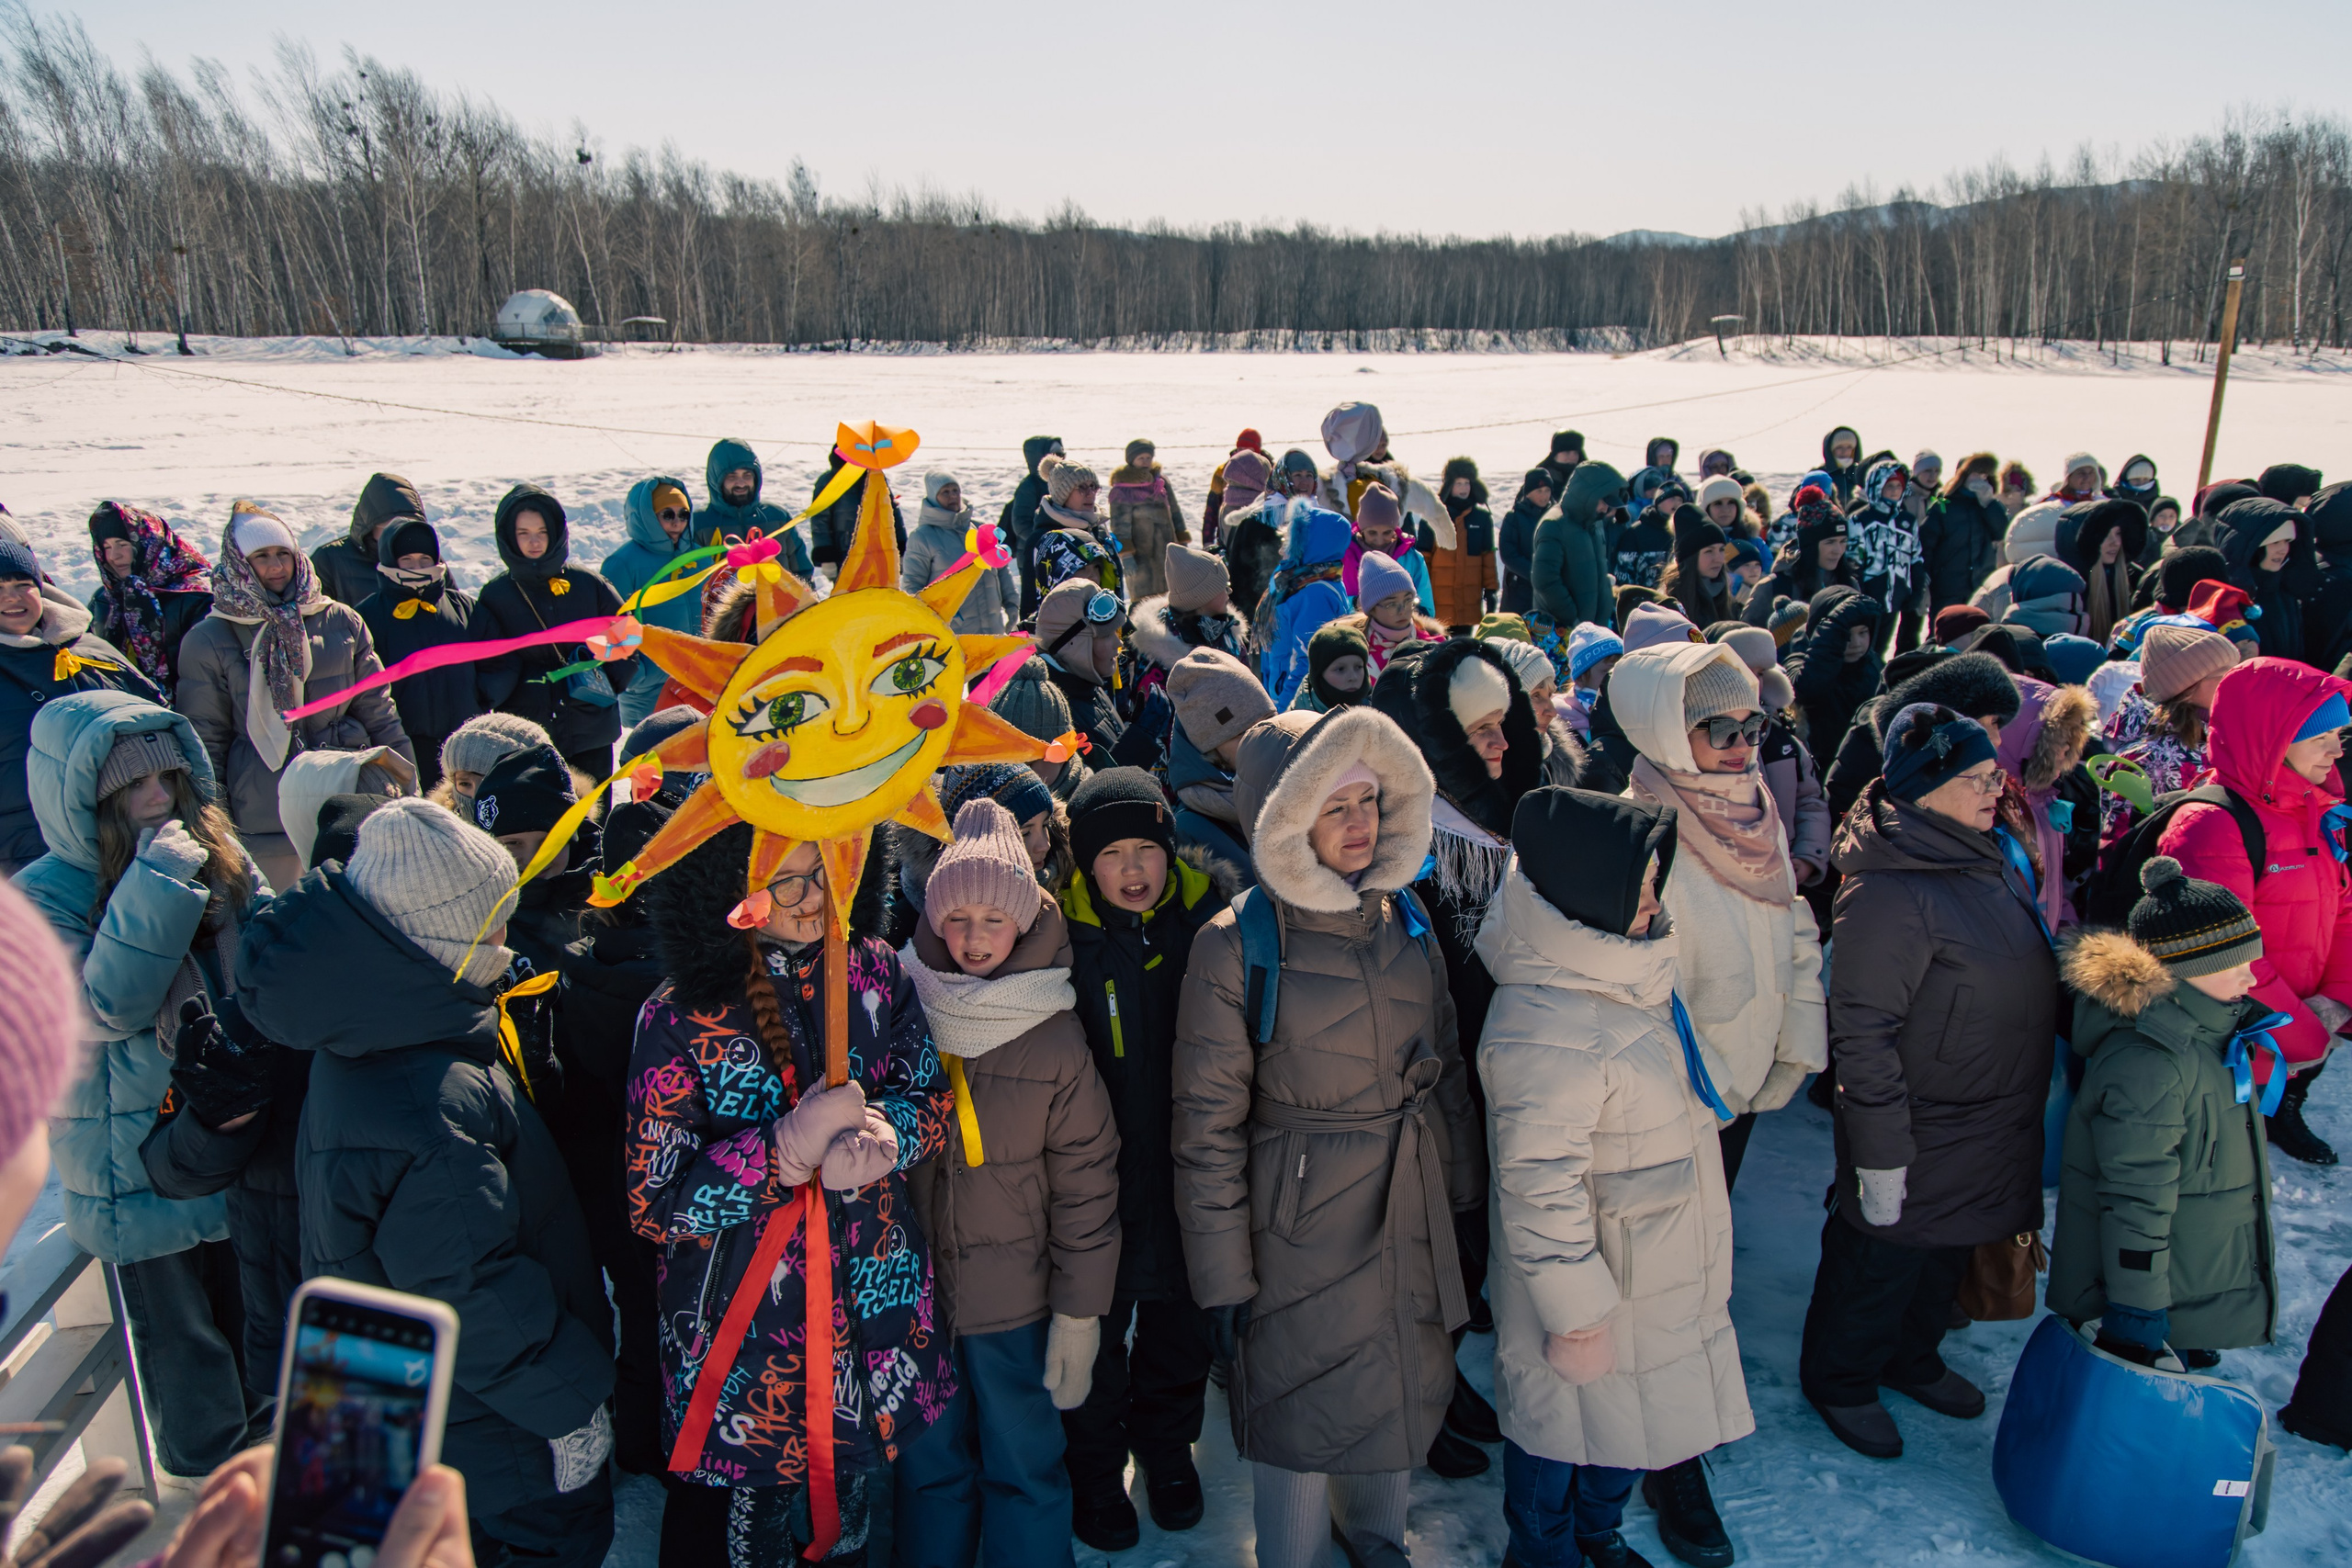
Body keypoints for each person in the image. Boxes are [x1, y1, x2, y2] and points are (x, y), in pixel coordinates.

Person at [239, 797, 616, 1566]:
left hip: (425, 1417)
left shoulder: (373, 1032)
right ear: (448, 937)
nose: (510, 942)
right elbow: (468, 1284)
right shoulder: (427, 1099)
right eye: (499, 922)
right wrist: (570, 1402)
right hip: (495, 1440)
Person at [1172, 705, 1480, 1568]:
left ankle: (1378, 1543)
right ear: (1285, 815)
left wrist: (1461, 1198)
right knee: (1299, 1420)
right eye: (1332, 805)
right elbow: (1205, 1127)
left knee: (1395, 1390)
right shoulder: (1238, 946)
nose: (1358, 825)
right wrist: (1222, 1275)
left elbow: (1446, 1062)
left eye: (1368, 800)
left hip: (1406, 1202)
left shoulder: (1405, 917)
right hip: (1295, 1227)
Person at [1479, 786, 1755, 1568]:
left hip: (1655, 1265)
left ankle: (1598, 1532)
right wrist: (1576, 1314)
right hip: (1595, 1288)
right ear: (1583, 890)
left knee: (1634, 1426)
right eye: (1635, 884)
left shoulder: (1627, 969)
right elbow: (1538, 1187)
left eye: (1654, 880)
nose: (1651, 899)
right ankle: (1542, 1550)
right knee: (1561, 1430)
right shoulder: (1548, 1020)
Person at [1800, 704, 2058, 1461]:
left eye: (1994, 774)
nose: (1993, 789)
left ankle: (1910, 1359)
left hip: (1986, 1112)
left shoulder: (1978, 851)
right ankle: (1842, 1378)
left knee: (1945, 1249)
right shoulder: (1889, 888)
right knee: (1879, 1257)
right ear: (1927, 785)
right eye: (1975, 777)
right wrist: (1878, 1152)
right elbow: (1864, 1032)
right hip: (1918, 1121)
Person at [17, 692, 264, 1480]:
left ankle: (260, 1473)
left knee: (257, 1323)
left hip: (229, 1128)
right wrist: (157, 887)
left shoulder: (217, 852)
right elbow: (101, 1006)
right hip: (129, 1156)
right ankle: (207, 1492)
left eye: (169, 777)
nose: (159, 799)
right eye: (133, 787)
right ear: (83, 800)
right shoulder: (41, 896)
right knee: (186, 1346)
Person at [893, 800, 1123, 1568]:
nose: (974, 937)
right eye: (958, 920)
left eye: (994, 919)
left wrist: (1080, 1311)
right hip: (917, 1295)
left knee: (1024, 1466)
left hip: (1015, 1304)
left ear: (1023, 922)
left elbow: (1088, 1181)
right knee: (930, 1468)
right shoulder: (903, 1007)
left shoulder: (1053, 1032)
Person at [1056, 767, 1234, 1550]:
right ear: (1086, 865)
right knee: (1092, 1340)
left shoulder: (1210, 924)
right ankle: (1096, 1471)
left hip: (1189, 1171)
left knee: (1181, 1328)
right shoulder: (1062, 938)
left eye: (1146, 849)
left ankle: (1167, 1451)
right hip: (1095, 1182)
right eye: (1113, 854)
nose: (1133, 869)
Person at [1614, 641, 1827, 1187]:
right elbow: (1633, 987)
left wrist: (1796, 1042)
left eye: (1752, 725)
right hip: (1682, 1092)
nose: (1742, 744)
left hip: (1752, 1068)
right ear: (1666, 730)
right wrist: (1710, 1083)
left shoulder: (1756, 806)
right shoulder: (1639, 830)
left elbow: (1792, 921)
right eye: (1717, 728)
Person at [2050, 859, 2277, 1371]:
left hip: (2191, 1277)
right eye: (2234, 963)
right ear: (2185, 973)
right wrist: (2137, 1310)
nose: (2252, 974)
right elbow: (2135, 1196)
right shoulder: (2151, 1062)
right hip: (2157, 1290)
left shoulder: (2210, 1032)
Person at [2159, 657, 2352, 1166]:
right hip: (2232, 1037)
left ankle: (2286, 1108)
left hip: (2299, 1023)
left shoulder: (2316, 807)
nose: (2338, 750)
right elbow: (2219, 950)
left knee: (2280, 1099)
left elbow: (2346, 908)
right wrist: (2303, 1030)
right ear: (2274, 740)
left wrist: (2336, 1001)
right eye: (2320, 737)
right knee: (2220, 1163)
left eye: (2339, 734)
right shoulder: (2211, 825)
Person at [176, 500, 411, 892]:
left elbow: (379, 711)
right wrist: (213, 823)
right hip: (265, 815)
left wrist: (409, 783)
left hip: (348, 794)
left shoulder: (340, 620)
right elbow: (205, 741)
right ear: (238, 563)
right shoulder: (210, 638)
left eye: (283, 554)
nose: (275, 567)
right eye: (261, 557)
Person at [1, 533, 159, 874]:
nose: (11, 598)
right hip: (22, 856)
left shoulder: (89, 650)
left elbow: (158, 727)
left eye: (22, 584)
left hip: (123, 841)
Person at [471, 484, 629, 780]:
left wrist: (606, 681)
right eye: (524, 533)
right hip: (528, 734)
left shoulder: (588, 583)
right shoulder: (496, 595)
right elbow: (490, 661)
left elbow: (628, 635)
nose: (535, 542)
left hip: (591, 728)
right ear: (508, 536)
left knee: (593, 818)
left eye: (542, 531)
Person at [356, 515, 483, 790]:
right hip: (406, 741)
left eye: (424, 559)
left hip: (464, 739)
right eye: (407, 561)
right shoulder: (368, 615)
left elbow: (496, 662)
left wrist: (479, 698)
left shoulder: (462, 607)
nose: (417, 567)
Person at [2097, 625, 2237, 840]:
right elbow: (2121, 846)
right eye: (2223, 674)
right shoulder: (2144, 760)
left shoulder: (2227, 733)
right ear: (2186, 687)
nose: (2235, 680)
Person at [599, 475, 707, 726]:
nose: (677, 521)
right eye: (667, 514)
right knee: (650, 761)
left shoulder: (699, 557)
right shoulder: (622, 564)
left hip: (698, 684)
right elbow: (611, 629)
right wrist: (639, 676)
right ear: (646, 515)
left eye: (684, 514)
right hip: (649, 693)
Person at [85, 501, 212, 698]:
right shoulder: (105, 599)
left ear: (149, 543)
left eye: (123, 544)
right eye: (106, 547)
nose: (114, 556)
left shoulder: (196, 597)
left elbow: (209, 676)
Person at [1164, 647, 1274, 874]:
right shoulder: (1189, 830)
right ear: (1209, 748)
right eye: (1242, 734)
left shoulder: (1294, 784)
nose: (1262, 739)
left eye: (1268, 723)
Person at [902, 470, 1019, 636]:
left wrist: (1012, 603)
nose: (953, 496)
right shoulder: (923, 537)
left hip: (994, 629)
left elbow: (1000, 569)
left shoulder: (979, 529)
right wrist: (926, 623)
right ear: (933, 497)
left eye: (955, 490)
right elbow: (912, 586)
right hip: (953, 633)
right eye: (946, 492)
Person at [1130, 543, 1246, 701]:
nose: (1229, 593)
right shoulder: (1162, 659)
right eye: (1224, 587)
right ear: (1203, 596)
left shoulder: (1228, 630)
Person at [1264, 506, 1354, 707]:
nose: (1280, 550)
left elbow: (1309, 661)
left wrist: (1284, 708)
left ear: (1310, 546)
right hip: (1285, 690)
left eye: (1287, 543)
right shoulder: (1305, 580)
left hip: (1296, 701)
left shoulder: (1313, 594)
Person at [1028, 578, 1127, 761]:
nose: (1118, 643)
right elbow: (1099, 786)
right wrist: (1143, 738)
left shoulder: (1085, 681)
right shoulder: (1050, 715)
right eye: (1106, 635)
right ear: (1074, 645)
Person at [1784, 586, 1883, 766]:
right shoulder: (1797, 662)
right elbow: (1809, 688)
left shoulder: (1873, 664)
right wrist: (1837, 624)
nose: (1856, 643)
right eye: (1845, 634)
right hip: (1820, 770)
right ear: (1823, 633)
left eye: (1863, 632)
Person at [695, 436, 813, 575]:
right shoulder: (699, 525)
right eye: (732, 477)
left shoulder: (778, 517)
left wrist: (805, 596)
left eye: (747, 475)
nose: (741, 483)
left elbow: (802, 572)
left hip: (778, 597)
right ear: (716, 480)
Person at [1532, 460, 1626, 631]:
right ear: (1587, 494)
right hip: (1565, 633)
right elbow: (1544, 580)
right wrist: (1572, 617)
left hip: (1593, 630)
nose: (1606, 508)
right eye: (1603, 501)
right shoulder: (1554, 525)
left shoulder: (1593, 522)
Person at [1742, 491, 1857, 630]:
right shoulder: (1772, 587)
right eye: (1830, 542)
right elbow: (1750, 641)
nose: (1838, 550)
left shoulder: (1849, 584)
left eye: (1843, 541)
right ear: (1810, 544)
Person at [312, 472, 425, 607]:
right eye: (389, 527)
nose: (400, 535)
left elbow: (451, 612)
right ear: (370, 526)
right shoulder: (329, 560)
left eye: (408, 527)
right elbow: (312, 618)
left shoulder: (426, 558)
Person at [2216, 496, 2307, 662]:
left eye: (2287, 541)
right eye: (2274, 542)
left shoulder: (2287, 593)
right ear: (2250, 547)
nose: (2283, 550)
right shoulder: (2223, 596)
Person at [1920, 454, 2006, 613]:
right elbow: (1926, 546)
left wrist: (1989, 503)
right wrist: (1925, 585)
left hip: (1980, 588)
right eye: (1975, 473)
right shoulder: (1943, 506)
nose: (1980, 478)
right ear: (1963, 475)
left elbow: (2002, 532)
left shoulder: (1988, 506)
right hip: (1948, 589)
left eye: (1984, 475)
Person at [1107, 438, 1191, 600]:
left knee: (1172, 596)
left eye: (1148, 458)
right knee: (1145, 601)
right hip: (1141, 555)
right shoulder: (1123, 489)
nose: (1146, 462)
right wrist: (1126, 555)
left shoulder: (1160, 482)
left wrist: (1182, 538)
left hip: (1168, 549)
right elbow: (1119, 525)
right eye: (1141, 458)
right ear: (1132, 460)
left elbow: (1175, 512)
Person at [432, 710, 558, 818]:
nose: (476, 796)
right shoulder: (437, 836)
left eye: (490, 783)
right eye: (465, 784)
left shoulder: (567, 836)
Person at [807, 449, 907, 576]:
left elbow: (891, 513)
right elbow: (820, 519)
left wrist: (901, 548)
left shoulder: (875, 477)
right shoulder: (828, 481)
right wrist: (826, 556)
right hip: (845, 557)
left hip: (880, 555)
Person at [1429, 457, 1499, 634]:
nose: (1463, 488)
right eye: (1458, 483)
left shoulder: (1481, 518)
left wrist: (1491, 590)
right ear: (1449, 485)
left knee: (1464, 651)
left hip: (1468, 601)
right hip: (1439, 603)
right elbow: (1425, 558)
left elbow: (1487, 557)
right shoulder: (1434, 516)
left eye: (1467, 483)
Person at [2064, 498, 2147, 647]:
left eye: (2119, 533)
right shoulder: (2072, 582)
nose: (2114, 542)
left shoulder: (2135, 578)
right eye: (2104, 534)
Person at [1342, 484, 1433, 615]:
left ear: (1395, 529)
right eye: (1372, 533)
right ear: (1362, 530)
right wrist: (1355, 603)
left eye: (1387, 533)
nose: (1379, 541)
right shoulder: (1343, 556)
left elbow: (1427, 610)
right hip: (1352, 631)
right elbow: (1331, 604)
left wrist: (1404, 609)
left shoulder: (1412, 558)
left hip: (1402, 632)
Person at [1006, 434, 1065, 616]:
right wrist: (1044, 540)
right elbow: (1020, 523)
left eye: (1062, 453)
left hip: (1060, 550)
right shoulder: (1029, 486)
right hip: (1034, 555)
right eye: (1054, 453)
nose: (1059, 458)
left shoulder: (1062, 482)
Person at [1658, 505, 1734, 627]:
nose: (1718, 559)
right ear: (1690, 558)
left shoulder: (1727, 598)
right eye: (1709, 551)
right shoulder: (1671, 603)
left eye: (1722, 550)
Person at [1498, 469, 1555, 615]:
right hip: (1519, 590)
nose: (1544, 495)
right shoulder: (1514, 518)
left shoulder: (1556, 518)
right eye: (1539, 491)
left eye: (1547, 490)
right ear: (1528, 492)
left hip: (1549, 590)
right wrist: (1534, 573)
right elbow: (1508, 554)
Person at [1288, 622, 1371, 715]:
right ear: (1319, 673)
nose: (1353, 677)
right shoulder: (1295, 720)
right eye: (1340, 669)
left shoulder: (1380, 709)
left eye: (1358, 667)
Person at [1537, 431, 1585, 495]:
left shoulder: (1587, 475)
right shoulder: (1540, 477)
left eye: (1576, 453)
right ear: (1555, 455)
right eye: (1567, 453)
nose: (1572, 457)